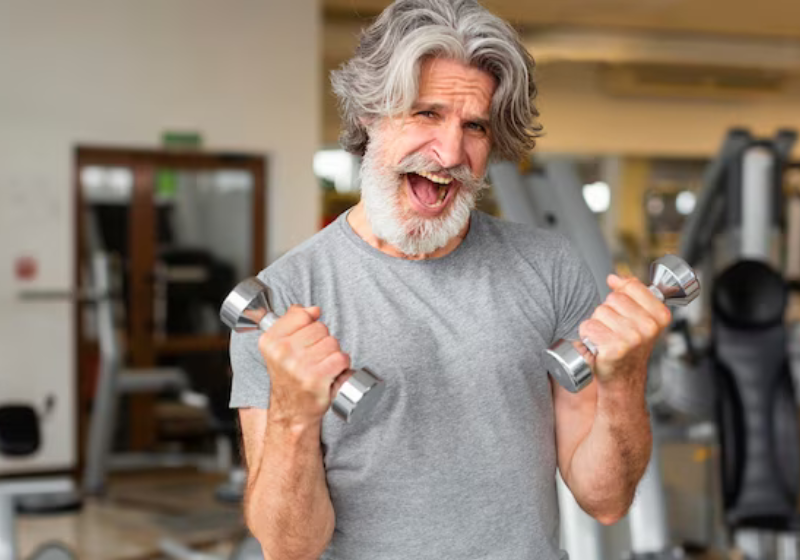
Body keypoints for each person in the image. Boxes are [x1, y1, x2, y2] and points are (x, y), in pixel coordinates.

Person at [228, 1, 672, 558]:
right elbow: (289, 547)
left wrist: (624, 379)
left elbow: (603, 498)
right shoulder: (282, 302)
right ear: (369, 115)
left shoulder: (549, 267)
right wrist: (294, 414)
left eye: (475, 126)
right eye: (426, 114)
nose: (450, 152)